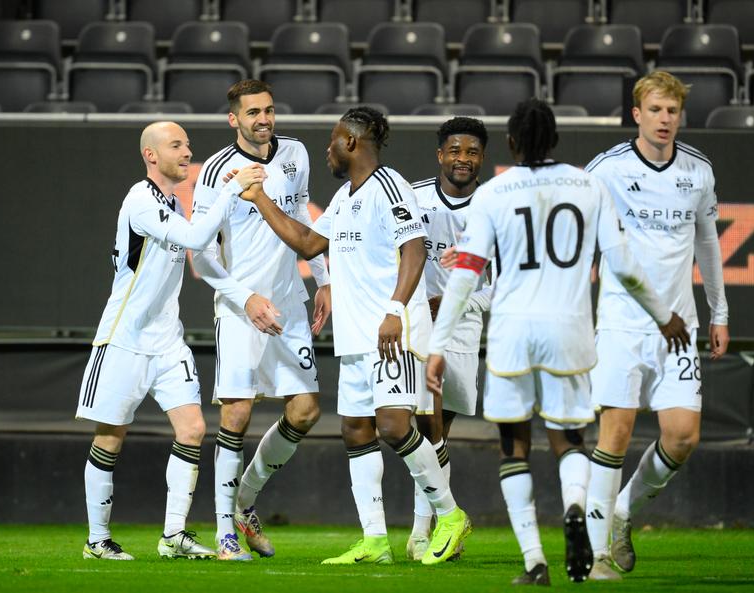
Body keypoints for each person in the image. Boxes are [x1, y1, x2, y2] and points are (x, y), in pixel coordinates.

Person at [425, 99, 690, 585]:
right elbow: (625, 266)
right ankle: (573, 508)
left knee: (515, 447)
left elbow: (466, 274)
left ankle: (534, 562)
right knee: (569, 439)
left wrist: (439, 344)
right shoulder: (589, 185)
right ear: (554, 141)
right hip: (569, 330)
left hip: (512, 334)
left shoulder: (495, 192)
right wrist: (665, 315)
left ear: (509, 144)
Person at [232, 106, 472, 565]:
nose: (327, 148)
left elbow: (415, 249)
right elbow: (307, 244)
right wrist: (260, 199)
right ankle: (375, 541)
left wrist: (395, 310)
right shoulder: (344, 197)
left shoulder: (389, 186)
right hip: (358, 337)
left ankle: (450, 514)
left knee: (394, 426)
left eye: (333, 139)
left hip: (390, 332)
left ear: (352, 142)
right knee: (356, 430)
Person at [76, 121, 268, 560]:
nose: (187, 152)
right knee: (111, 436)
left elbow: (203, 254)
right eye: (176, 145)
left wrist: (247, 298)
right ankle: (97, 540)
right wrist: (230, 190)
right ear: (151, 155)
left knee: (194, 429)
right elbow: (198, 237)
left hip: (168, 341)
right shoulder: (140, 201)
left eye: (187, 144)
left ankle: (174, 535)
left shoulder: (171, 204)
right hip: (124, 338)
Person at [584, 71, 730, 580]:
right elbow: (579, 235)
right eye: (657, 110)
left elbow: (709, 246)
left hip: (681, 327)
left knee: (683, 435)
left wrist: (721, 311)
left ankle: (621, 513)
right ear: (637, 114)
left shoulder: (699, 170)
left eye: (673, 111)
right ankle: (599, 551)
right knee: (616, 432)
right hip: (622, 324)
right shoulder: (606, 169)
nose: (666, 119)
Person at [190, 80, 331, 561]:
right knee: (236, 414)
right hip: (239, 307)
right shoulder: (213, 172)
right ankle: (224, 533)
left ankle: (243, 502)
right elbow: (201, 256)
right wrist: (245, 297)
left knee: (306, 411)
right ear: (234, 119)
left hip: (290, 302)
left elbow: (305, 220)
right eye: (253, 113)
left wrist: (323, 281)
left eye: (269, 110)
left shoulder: (296, 152)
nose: (264, 119)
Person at [406, 117, 493, 560]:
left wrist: (461, 302)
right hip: (415, 321)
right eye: (455, 151)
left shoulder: (495, 205)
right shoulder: (412, 197)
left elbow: (506, 280)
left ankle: (432, 527)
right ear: (441, 155)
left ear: (482, 158)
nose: (463, 159)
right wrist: (419, 300)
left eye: (472, 152)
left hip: (462, 327)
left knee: (439, 431)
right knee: (425, 424)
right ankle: (431, 528)